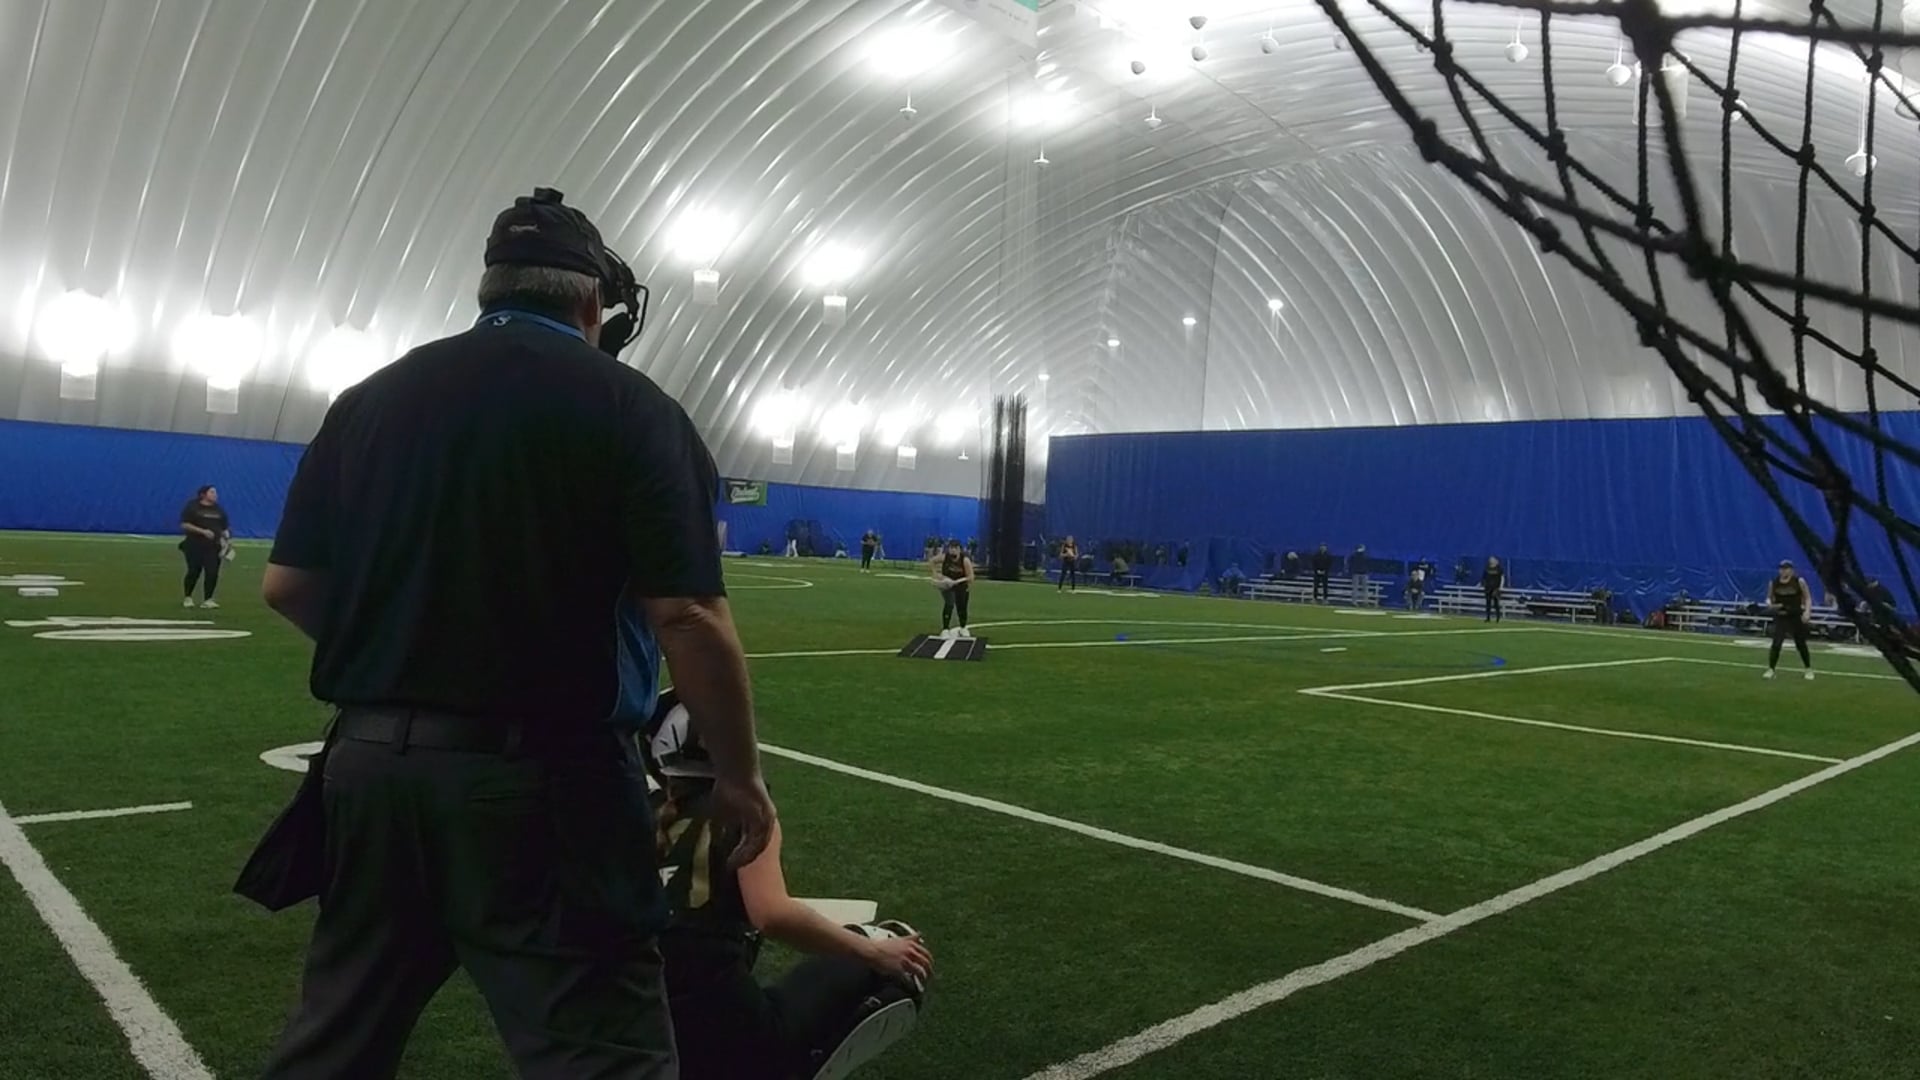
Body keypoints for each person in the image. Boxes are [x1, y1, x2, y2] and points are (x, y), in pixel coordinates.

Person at [253, 188, 776, 1079]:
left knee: (334, 1047)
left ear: (490, 288)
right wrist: (740, 778)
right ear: (592, 302)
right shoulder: (632, 407)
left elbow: (288, 586)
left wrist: (413, 657)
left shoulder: (367, 402)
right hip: (547, 784)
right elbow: (687, 615)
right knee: (603, 1053)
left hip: (370, 773)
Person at [646, 691, 931, 1079]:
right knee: (895, 951)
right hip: (722, 1031)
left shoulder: (641, 816)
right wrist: (874, 952)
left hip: (640, 1026)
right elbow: (772, 915)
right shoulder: (743, 812)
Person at [179, 484, 231, 609]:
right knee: (194, 571)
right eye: (212, 492)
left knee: (212, 572)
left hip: (213, 547)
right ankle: (188, 597)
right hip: (194, 545)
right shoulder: (192, 507)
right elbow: (185, 524)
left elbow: (224, 527)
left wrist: (226, 536)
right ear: (203, 494)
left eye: (215, 492)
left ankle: (208, 599)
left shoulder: (219, 509)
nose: (215, 495)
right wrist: (203, 531)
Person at [1765, 560, 1815, 680]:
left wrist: (1807, 611)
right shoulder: (1774, 582)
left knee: (1801, 643)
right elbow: (1769, 598)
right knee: (1776, 643)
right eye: (1781, 569)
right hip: (1781, 615)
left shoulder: (1799, 582)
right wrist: (1770, 604)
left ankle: (1808, 669)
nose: (1783, 571)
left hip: (1795, 615)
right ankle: (1771, 669)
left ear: (1791, 570)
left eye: (1786, 569)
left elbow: (1807, 598)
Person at [932, 538, 975, 639]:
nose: (953, 550)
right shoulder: (945, 557)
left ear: (959, 549)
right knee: (949, 604)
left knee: (962, 607)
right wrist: (936, 575)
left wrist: (957, 582)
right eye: (951, 548)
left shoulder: (965, 560)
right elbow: (932, 561)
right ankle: (945, 629)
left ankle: (963, 627)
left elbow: (971, 577)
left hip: (961, 585)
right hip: (947, 585)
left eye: (955, 548)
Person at [1482, 556, 1506, 622]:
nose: (1491, 561)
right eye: (1490, 560)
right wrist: (1482, 584)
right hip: (1488, 588)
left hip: (1495, 588)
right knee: (1488, 603)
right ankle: (1488, 617)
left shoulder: (1499, 569)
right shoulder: (1487, 568)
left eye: (1493, 560)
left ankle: (1498, 617)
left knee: (1496, 604)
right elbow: (1484, 577)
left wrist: (1500, 587)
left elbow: (1502, 578)